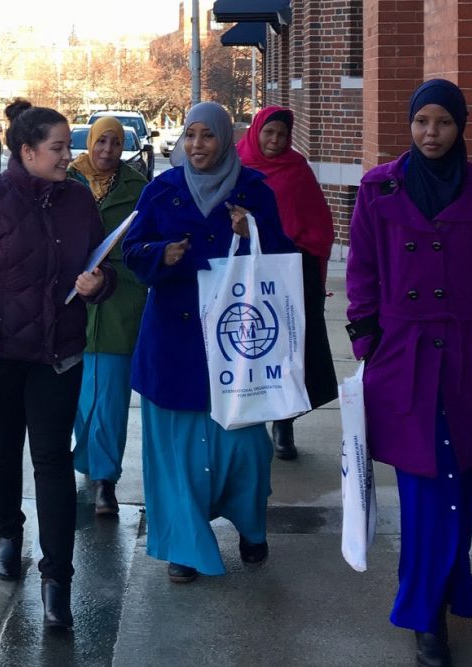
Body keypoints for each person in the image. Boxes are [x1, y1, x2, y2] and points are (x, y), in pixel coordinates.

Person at [345, 79, 472, 667]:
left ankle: (448, 588)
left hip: (470, 353)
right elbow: (362, 265)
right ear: (410, 125)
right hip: (405, 353)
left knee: (462, 483)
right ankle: (425, 615)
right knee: (423, 485)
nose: (431, 134)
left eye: (443, 122)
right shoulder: (380, 188)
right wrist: (364, 332)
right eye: (422, 122)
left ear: (460, 125)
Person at [0, 99, 116, 631]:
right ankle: (8, 534)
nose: (69, 157)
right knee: (2, 446)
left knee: (53, 461)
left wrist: (98, 285)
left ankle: (57, 578)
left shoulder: (79, 202)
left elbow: (104, 269)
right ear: (27, 151)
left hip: (58, 356)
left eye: (68, 147)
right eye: (58, 148)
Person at [122, 101, 296, 584]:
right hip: (173, 344)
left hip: (237, 343)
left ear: (225, 139)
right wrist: (162, 253)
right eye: (190, 136)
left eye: (208, 136)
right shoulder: (162, 190)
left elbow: (284, 260)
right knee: (177, 455)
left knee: (246, 452)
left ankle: (251, 526)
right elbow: (131, 253)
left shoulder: (254, 191)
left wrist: (253, 229)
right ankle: (184, 543)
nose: (197, 146)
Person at [236, 106, 338, 461]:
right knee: (252, 345)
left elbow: (319, 225)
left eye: (281, 135)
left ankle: (285, 422)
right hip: (247, 272)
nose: (275, 141)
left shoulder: (297, 171)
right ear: (256, 132)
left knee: (290, 349)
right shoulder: (236, 166)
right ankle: (252, 422)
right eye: (269, 133)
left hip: (291, 272)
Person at [66, 117, 148, 516]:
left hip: (120, 304)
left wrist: (111, 276)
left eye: (115, 144)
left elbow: (145, 248)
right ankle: (88, 460)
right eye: (102, 142)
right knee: (82, 399)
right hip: (72, 306)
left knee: (110, 399)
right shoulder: (66, 181)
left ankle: (104, 480)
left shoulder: (137, 188)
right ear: (90, 142)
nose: (107, 151)